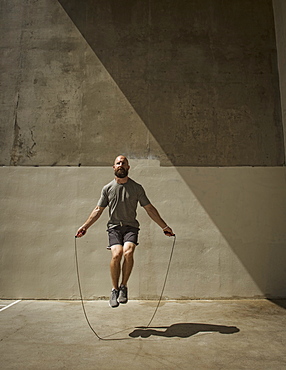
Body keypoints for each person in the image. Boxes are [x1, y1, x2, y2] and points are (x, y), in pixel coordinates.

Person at [76, 155, 174, 308]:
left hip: (130, 227)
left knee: (128, 252)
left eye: (124, 163)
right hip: (114, 227)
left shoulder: (136, 188)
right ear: (114, 167)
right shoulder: (107, 189)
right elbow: (98, 210)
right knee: (117, 254)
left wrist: (164, 226)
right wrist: (85, 226)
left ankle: (123, 286)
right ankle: (114, 289)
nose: (121, 165)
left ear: (128, 168)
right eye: (118, 163)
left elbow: (149, 208)